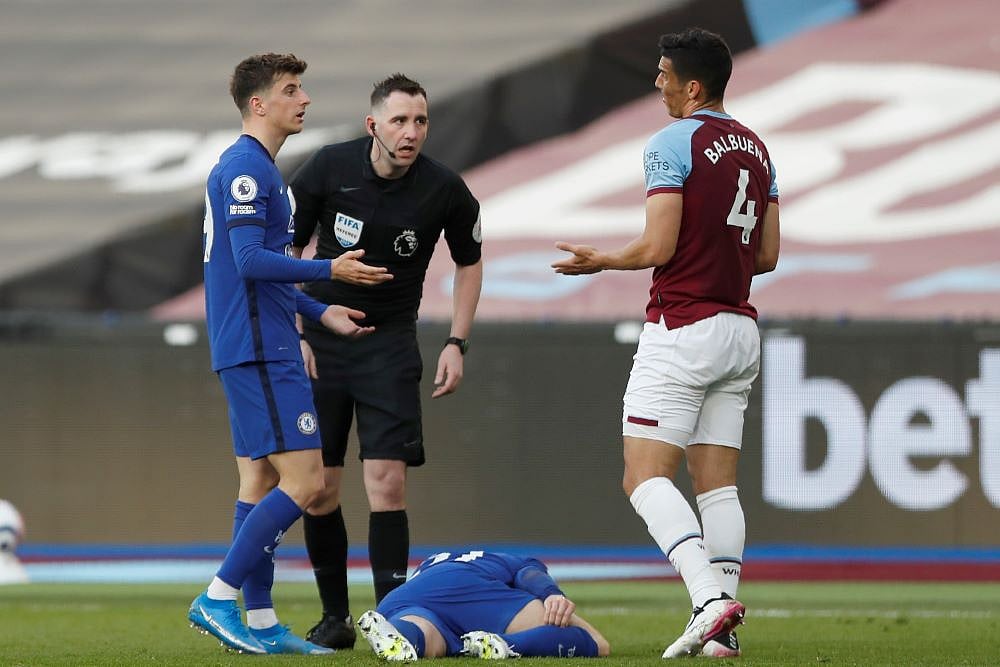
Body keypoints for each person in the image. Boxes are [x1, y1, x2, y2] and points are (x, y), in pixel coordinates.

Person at [552, 27, 780, 659]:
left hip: (683, 326)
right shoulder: (759, 151)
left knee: (643, 475)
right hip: (739, 330)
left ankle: (708, 600)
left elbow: (657, 246)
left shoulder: (672, 142)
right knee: (718, 486)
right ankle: (722, 633)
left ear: (693, 87)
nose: (658, 84)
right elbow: (766, 255)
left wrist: (601, 260)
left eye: (664, 75)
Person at [188, 52, 392, 655]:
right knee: (306, 481)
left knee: (258, 480)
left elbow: (253, 270)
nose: (304, 100)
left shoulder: (259, 169)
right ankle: (217, 597)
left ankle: (259, 621)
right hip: (260, 346)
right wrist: (330, 270)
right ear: (259, 104)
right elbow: (250, 262)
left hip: (255, 339)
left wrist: (319, 311)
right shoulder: (246, 171)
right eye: (291, 90)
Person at [289, 73, 483, 649]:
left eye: (420, 121)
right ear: (373, 125)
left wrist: (457, 342)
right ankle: (335, 619)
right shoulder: (328, 167)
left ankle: (391, 619)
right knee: (319, 487)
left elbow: (470, 261)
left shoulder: (444, 188)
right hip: (322, 339)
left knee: (387, 484)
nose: (411, 132)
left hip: (389, 345)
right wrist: (296, 330)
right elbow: (285, 249)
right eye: (399, 121)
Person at [356, 550, 610, 661]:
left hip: (397, 601)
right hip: (467, 585)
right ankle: (504, 644)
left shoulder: (430, 564)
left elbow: (429, 596)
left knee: (428, 636)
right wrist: (551, 593)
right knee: (597, 643)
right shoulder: (498, 559)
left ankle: (402, 634)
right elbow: (528, 572)